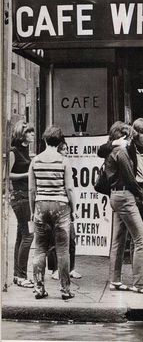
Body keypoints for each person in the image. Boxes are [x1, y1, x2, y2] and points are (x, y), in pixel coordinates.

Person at [98, 118, 143, 291]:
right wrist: (116, 142)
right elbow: (102, 152)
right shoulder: (124, 149)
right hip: (131, 194)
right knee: (139, 239)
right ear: (134, 135)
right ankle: (140, 283)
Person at [28, 126, 76, 300]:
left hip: (41, 205)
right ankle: (65, 290)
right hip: (61, 206)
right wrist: (74, 209)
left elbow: (31, 190)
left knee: (39, 248)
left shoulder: (36, 161)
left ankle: (39, 289)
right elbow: (69, 188)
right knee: (63, 250)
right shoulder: (64, 161)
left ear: (45, 140)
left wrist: (33, 211)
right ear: (60, 141)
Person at [48, 141, 82, 280]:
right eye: (63, 150)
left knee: (71, 238)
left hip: (66, 203)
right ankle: (55, 269)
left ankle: (71, 268)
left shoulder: (67, 164)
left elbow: (71, 188)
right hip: (58, 203)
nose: (66, 152)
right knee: (54, 239)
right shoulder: (55, 165)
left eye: (66, 149)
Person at [9, 120, 35, 288]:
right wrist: (28, 174)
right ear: (22, 135)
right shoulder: (13, 152)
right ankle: (22, 275)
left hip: (25, 196)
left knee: (21, 235)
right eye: (29, 132)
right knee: (28, 235)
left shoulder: (27, 151)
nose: (33, 134)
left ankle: (17, 275)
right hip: (20, 196)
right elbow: (7, 175)